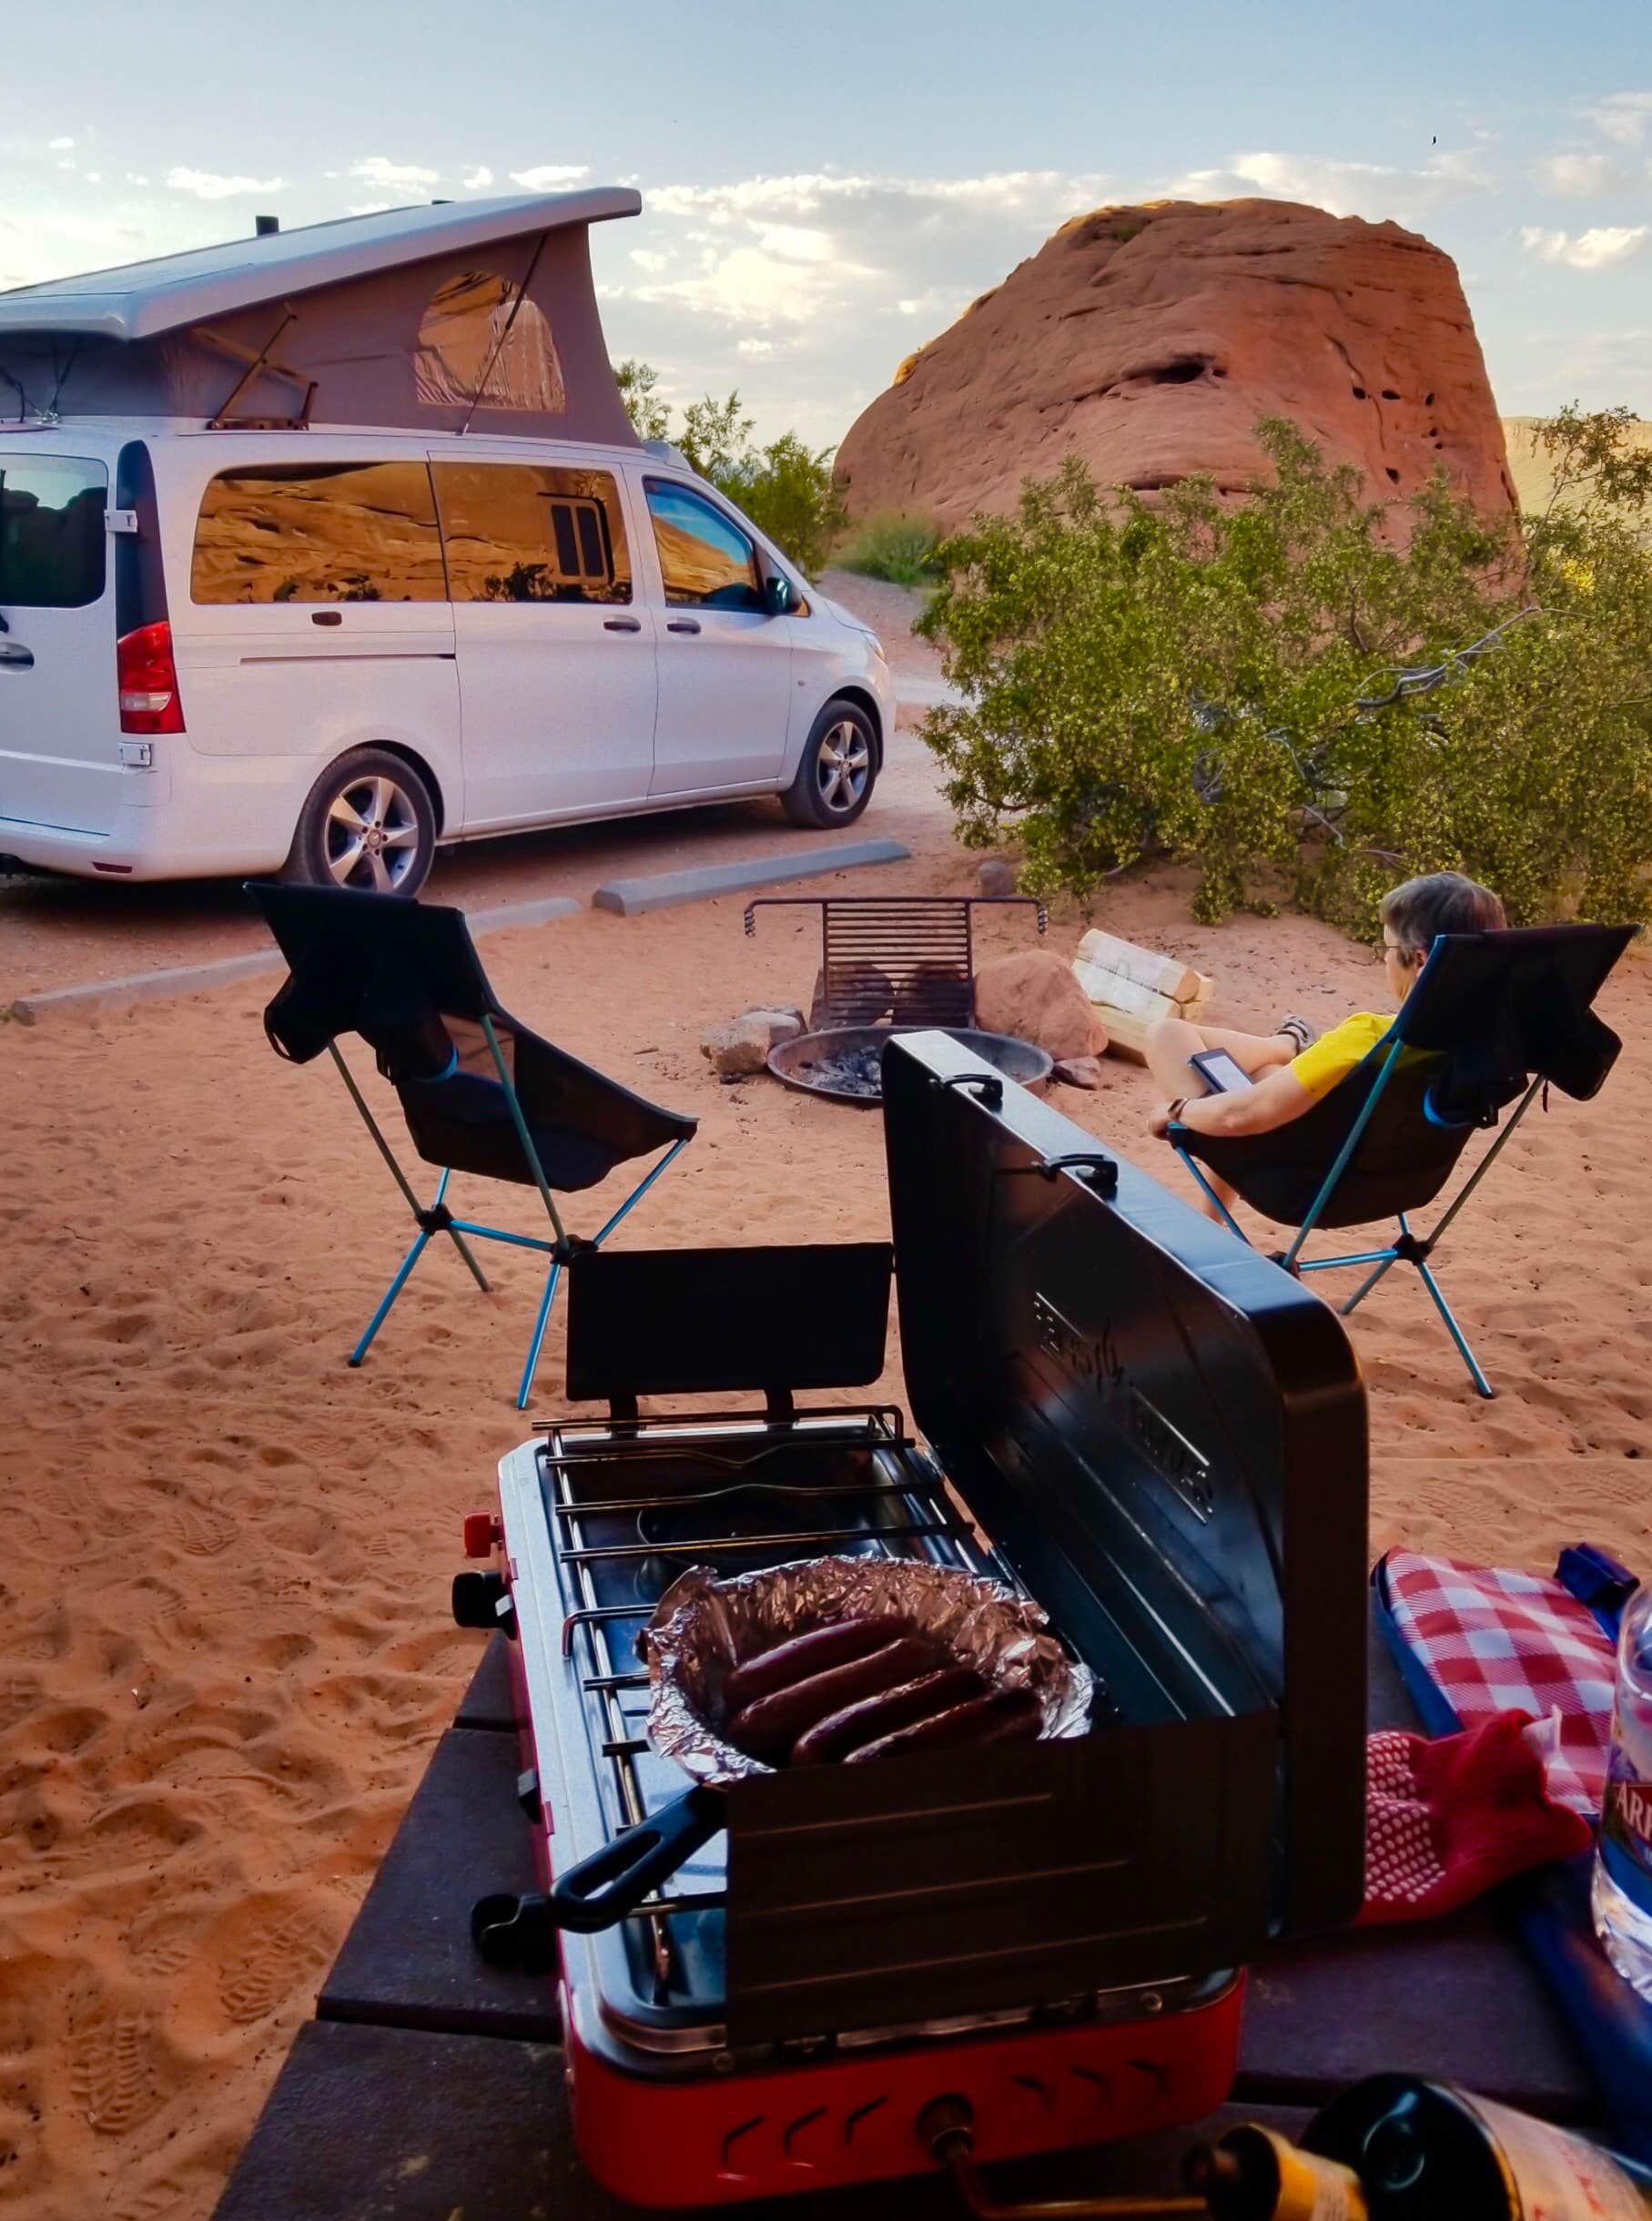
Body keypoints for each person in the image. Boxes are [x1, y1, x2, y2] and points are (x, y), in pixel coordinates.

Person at [1146, 872, 1508, 1214]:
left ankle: (1283, 1045)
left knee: (1166, 1035)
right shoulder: (1491, 1045)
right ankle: (1281, 1048)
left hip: (1296, 1185)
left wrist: (1178, 1111)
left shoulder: (1372, 1037)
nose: (1384, 959)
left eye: (1386, 946)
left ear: (1419, 960)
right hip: (1398, 1186)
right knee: (1266, 1072)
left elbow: (1240, 1116)